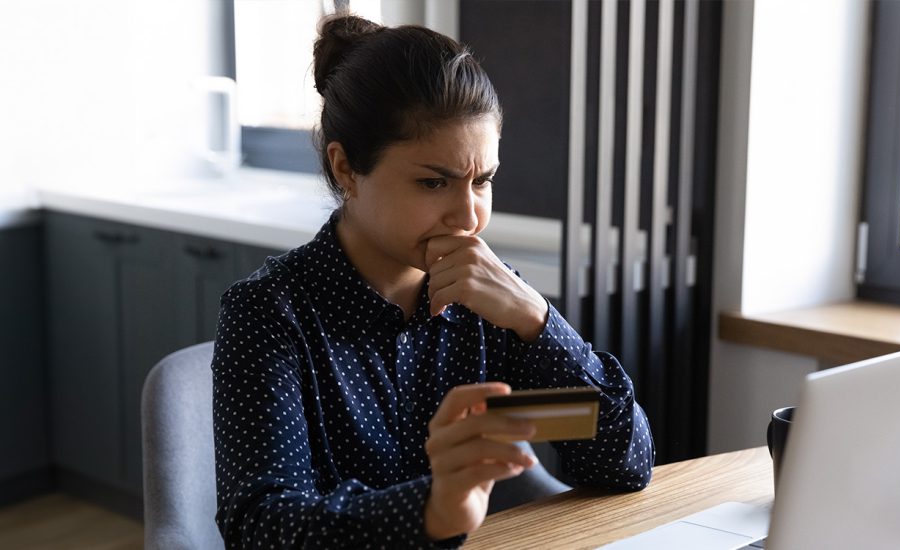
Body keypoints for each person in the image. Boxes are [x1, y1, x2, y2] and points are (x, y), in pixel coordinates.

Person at [211, 13, 654, 549]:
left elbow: (627, 465)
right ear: (346, 169)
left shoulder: (492, 301)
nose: (467, 217)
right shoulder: (268, 313)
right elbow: (261, 528)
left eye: (483, 181)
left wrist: (539, 320)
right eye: (432, 182)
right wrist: (434, 508)